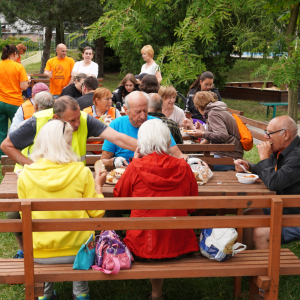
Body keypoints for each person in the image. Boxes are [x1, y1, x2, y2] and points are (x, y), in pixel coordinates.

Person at [17, 119, 106, 300]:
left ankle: (45, 295)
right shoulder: (81, 172)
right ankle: (80, 293)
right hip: (78, 252)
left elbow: (23, 216)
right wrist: (98, 186)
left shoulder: (26, 175)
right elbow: (97, 212)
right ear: (67, 143)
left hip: (39, 253)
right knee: (81, 239)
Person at [114, 119, 199, 300]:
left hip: (142, 246)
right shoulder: (184, 166)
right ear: (167, 140)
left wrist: (134, 162)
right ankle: (157, 293)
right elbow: (191, 207)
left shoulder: (135, 167)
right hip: (179, 244)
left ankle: (156, 293)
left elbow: (120, 201)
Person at [234, 115, 300, 250]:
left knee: (260, 232)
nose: (266, 137)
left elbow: (274, 183)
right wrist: (249, 166)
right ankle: (248, 263)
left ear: (286, 135)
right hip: (285, 206)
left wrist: (264, 157)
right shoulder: (282, 149)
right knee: (247, 216)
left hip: (295, 212)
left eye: (269, 133)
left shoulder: (297, 156)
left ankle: (264, 271)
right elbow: (267, 170)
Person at [182, 91, 243, 170]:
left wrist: (203, 134)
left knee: (189, 164)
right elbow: (216, 134)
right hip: (229, 154)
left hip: (228, 157)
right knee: (191, 159)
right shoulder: (216, 110)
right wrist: (203, 132)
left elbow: (222, 136)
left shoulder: (213, 113)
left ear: (198, 106)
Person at [0, 44, 29, 157]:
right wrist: (27, 81)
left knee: (1, 130)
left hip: (0, 101)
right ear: (14, 54)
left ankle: (2, 155)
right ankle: (16, 153)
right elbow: (23, 87)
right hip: (14, 102)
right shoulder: (18, 67)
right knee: (17, 129)